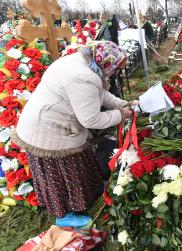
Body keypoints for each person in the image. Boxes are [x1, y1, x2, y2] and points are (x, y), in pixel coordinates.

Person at [12, 41, 137, 228]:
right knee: (60, 174)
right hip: (46, 130)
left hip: (53, 122)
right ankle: (65, 216)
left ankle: (87, 193)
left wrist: (122, 104)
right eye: (115, 69)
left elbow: (99, 94)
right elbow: (91, 120)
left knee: (77, 165)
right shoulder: (83, 77)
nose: (114, 74)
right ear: (107, 63)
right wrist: (120, 115)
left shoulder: (87, 64)